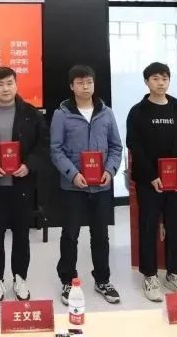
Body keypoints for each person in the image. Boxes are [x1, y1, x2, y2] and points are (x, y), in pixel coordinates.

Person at [0, 66, 49, 305]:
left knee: (22, 235)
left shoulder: (31, 114)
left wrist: (29, 164)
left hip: (21, 185)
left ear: (16, 84)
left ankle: (20, 278)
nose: (5, 88)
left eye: (9, 83)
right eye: (0, 84)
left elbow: (43, 145)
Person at [50, 65, 122, 306]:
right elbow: (56, 149)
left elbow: (116, 147)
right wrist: (73, 174)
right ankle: (68, 280)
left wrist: (110, 170)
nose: (85, 87)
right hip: (73, 186)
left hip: (101, 186)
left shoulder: (106, 113)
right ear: (72, 86)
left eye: (89, 82)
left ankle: (103, 280)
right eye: (80, 83)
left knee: (100, 235)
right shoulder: (62, 114)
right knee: (70, 235)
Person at [125, 61, 177, 302]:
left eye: (164, 78)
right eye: (155, 79)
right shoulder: (138, 111)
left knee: (176, 227)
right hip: (150, 182)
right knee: (148, 227)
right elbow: (135, 145)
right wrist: (151, 176)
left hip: (176, 182)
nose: (160, 83)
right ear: (147, 82)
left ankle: (174, 273)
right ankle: (149, 276)